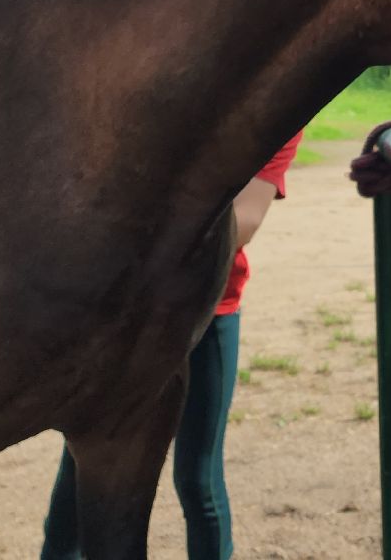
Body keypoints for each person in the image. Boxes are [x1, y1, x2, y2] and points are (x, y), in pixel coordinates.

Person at [41, 132, 302, 560]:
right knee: (81, 462)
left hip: (207, 313)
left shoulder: (277, 125)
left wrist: (146, 249)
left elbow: (246, 220)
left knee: (197, 479)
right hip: (126, 313)